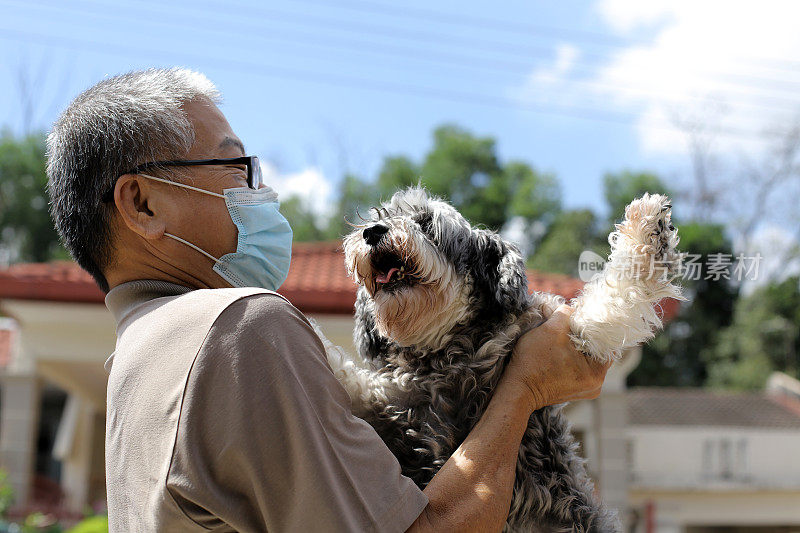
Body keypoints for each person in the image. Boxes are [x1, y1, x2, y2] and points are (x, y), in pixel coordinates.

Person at [46, 68, 610, 532]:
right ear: (142, 204)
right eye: (237, 165)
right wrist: (524, 389)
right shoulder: (239, 328)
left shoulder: (134, 365)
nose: (260, 190)